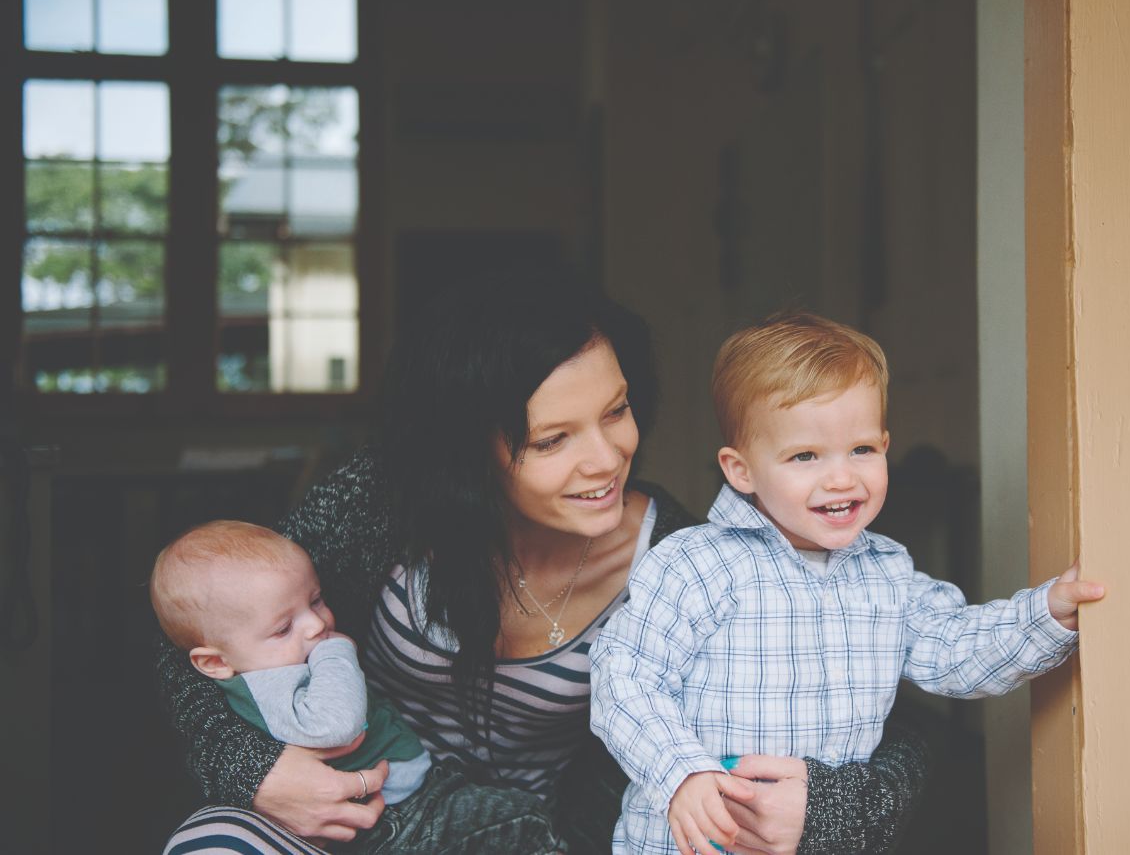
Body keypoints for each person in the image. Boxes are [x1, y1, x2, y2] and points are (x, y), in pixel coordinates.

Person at [155, 262, 932, 855]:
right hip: (345, 820)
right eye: (552, 439)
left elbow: (904, 728)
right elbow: (200, 640)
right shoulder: (385, 503)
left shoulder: (693, 559)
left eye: (616, 411)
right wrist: (255, 769)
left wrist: (820, 807)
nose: (605, 460)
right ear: (472, 449)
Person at [590, 311, 1106, 855]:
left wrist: (1048, 613)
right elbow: (624, 677)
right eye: (805, 456)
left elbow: (955, 647)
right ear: (741, 470)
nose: (841, 477)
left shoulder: (887, 572)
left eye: (862, 449)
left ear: (885, 445)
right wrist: (680, 772)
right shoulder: (696, 566)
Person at [149, 521, 432, 816]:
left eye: (316, 600)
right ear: (216, 663)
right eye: (284, 628)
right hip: (392, 804)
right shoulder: (267, 684)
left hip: (395, 785)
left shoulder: (270, 660)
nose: (317, 624)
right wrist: (336, 650)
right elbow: (335, 726)